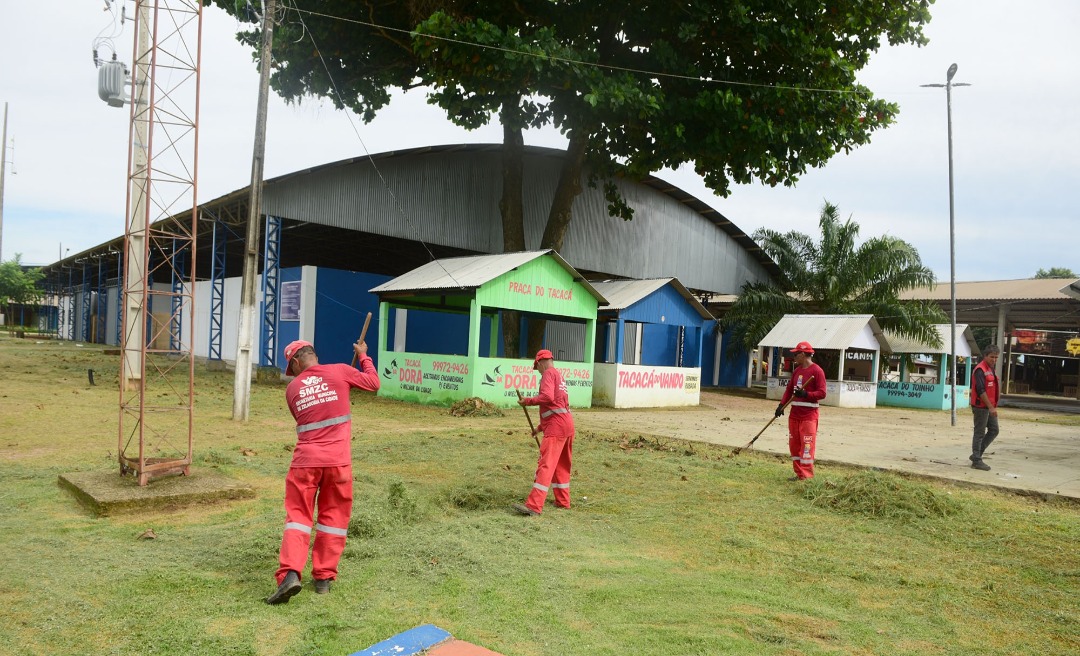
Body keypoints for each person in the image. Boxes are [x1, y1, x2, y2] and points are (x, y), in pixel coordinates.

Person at [266, 337, 381, 605]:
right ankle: (323, 579)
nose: (291, 373)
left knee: (298, 518)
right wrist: (363, 355)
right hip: (338, 463)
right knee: (333, 519)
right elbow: (373, 383)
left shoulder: (292, 389)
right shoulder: (341, 371)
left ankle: (291, 574)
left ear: (295, 362)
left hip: (305, 463)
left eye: (290, 367)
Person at [513, 349, 574, 516]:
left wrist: (528, 401)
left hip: (556, 427)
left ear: (540, 362)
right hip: (566, 424)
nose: (538, 371)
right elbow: (556, 407)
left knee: (546, 465)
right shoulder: (558, 375)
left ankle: (534, 506)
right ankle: (563, 501)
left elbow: (547, 398)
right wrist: (539, 428)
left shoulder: (547, 374)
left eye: (537, 367)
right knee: (561, 465)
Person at [774, 341, 827, 480]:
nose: (794, 357)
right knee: (795, 446)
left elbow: (822, 393)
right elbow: (789, 389)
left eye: (796, 354)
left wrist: (806, 395)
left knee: (807, 446)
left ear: (803, 354)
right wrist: (781, 405)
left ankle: (807, 477)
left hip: (809, 416)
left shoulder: (817, 371)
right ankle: (799, 474)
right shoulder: (797, 371)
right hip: (794, 415)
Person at [969, 345, 1001, 471]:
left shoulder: (991, 368)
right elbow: (980, 390)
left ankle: (976, 454)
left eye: (996, 357)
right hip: (981, 406)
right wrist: (991, 407)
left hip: (989, 407)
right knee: (979, 433)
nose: (994, 360)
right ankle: (976, 460)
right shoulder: (980, 369)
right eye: (992, 357)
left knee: (994, 430)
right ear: (985, 356)